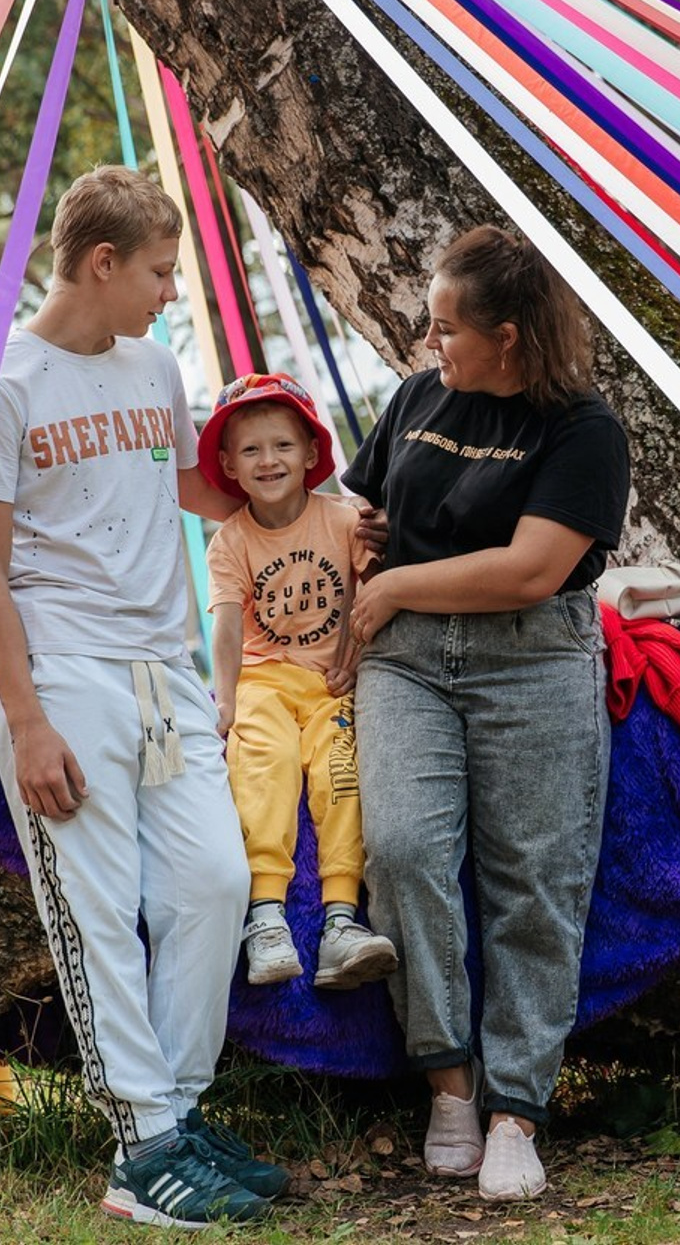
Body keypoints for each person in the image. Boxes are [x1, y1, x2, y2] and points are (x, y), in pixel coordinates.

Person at [0, 166, 285, 1229]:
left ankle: (175, 1116)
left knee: (211, 881)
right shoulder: (0, 386)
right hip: (64, 674)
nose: (170, 290)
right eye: (158, 269)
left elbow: (180, 483)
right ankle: (140, 1147)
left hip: (162, 669)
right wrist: (29, 718)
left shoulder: (152, 366)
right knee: (97, 906)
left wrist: (310, 491)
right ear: (103, 263)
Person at [342, 224, 630, 1202]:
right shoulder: (420, 397)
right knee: (406, 850)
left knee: (533, 877)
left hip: (533, 657)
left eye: (445, 329)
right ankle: (448, 1084)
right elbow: (361, 506)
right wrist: (352, 542)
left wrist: (394, 586)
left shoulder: (583, 428)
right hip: (409, 664)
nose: (430, 345)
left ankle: (516, 1110)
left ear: (506, 337)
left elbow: (530, 569)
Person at [199, 372, 398, 990]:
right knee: (266, 762)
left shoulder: (345, 520)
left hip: (331, 685)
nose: (268, 460)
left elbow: (375, 592)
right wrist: (226, 700)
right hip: (264, 682)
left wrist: (358, 659)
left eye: (282, 445)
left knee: (343, 769)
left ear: (312, 453)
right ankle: (265, 919)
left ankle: (341, 922)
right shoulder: (230, 542)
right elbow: (228, 628)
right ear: (229, 465)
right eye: (252, 450)